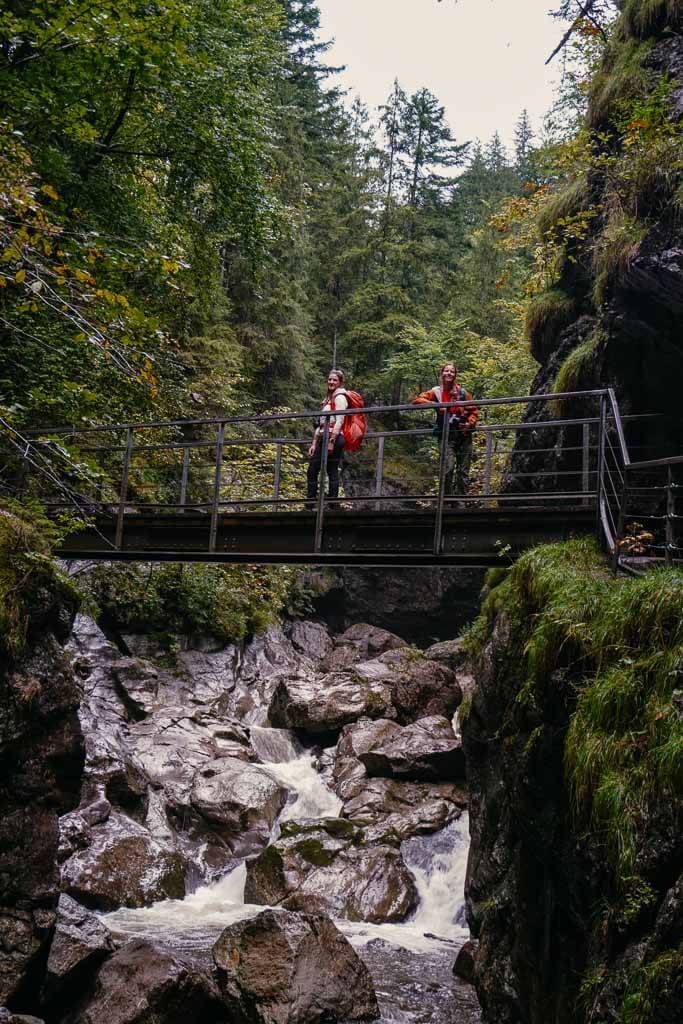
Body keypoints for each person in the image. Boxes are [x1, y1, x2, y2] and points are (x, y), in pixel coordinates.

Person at [412, 363, 478, 498]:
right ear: (441, 373)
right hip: (446, 435)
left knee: (463, 471)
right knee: (447, 469)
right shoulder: (436, 392)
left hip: (464, 435)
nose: (449, 373)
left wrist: (470, 424)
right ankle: (448, 500)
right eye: (446, 371)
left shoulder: (463, 393)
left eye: (452, 371)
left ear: (455, 375)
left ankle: (461, 501)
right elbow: (417, 400)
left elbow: (474, 411)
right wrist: (437, 405)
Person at [306, 368, 348, 504]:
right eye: (330, 379)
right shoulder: (327, 399)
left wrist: (332, 439)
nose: (331, 382)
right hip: (324, 436)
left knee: (328, 470)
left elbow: (340, 419)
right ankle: (318, 500)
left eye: (335, 380)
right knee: (316, 469)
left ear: (340, 382)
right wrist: (314, 443)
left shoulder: (340, 397)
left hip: (333, 438)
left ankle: (328, 502)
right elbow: (321, 424)